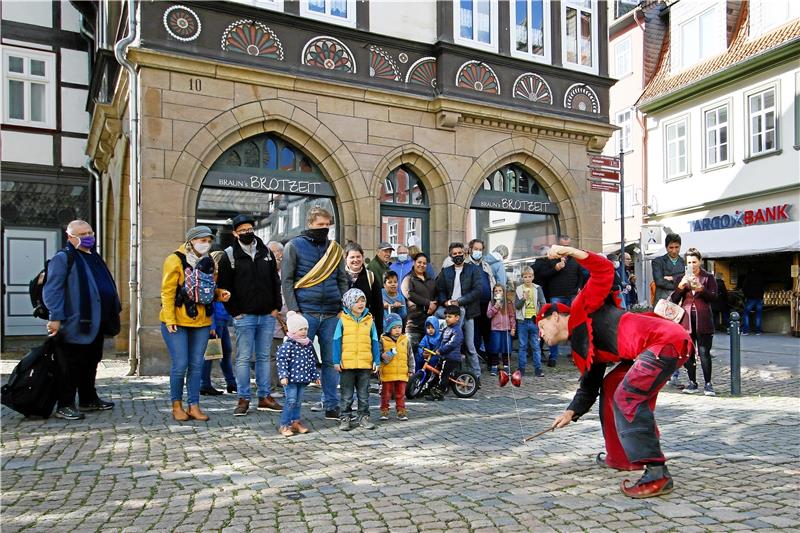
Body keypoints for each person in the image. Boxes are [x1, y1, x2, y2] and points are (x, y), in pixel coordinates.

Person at [538, 244, 693, 499]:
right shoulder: (580, 348)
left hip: (664, 341)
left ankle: (657, 473)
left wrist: (570, 251)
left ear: (555, 316)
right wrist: (570, 412)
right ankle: (621, 458)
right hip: (652, 348)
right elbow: (590, 385)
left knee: (627, 397)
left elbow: (604, 270)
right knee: (612, 387)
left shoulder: (581, 307)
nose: (540, 335)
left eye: (541, 327)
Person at [44, 220, 122, 420]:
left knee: (91, 361)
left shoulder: (93, 256)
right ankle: (65, 404)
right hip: (73, 321)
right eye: (83, 234)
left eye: (90, 232)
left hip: (96, 321)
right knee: (69, 365)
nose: (89, 237)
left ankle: (88, 398)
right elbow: (53, 289)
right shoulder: (64, 258)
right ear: (70, 237)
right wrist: (55, 318)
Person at [282, 206, 349, 421]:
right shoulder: (294, 246)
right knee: (298, 361)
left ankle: (331, 405)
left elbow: (342, 279)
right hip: (306, 312)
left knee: (331, 361)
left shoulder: (335, 249)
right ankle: (293, 410)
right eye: (320, 225)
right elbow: (287, 280)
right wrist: (293, 310)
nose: (324, 229)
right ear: (310, 224)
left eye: (327, 225)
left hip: (332, 313)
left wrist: (343, 307)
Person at [159, 225, 230, 422]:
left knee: (197, 364)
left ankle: (194, 405)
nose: (206, 244)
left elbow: (206, 290)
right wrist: (170, 319)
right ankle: (176, 406)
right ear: (191, 241)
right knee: (180, 364)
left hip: (201, 321)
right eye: (202, 240)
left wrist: (219, 294)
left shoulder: (208, 262)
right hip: (177, 320)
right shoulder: (175, 259)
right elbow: (167, 292)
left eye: (209, 241)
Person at [217, 215, 283, 417]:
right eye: (242, 230)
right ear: (235, 233)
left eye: (249, 229)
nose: (247, 232)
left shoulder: (266, 252)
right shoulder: (229, 256)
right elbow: (224, 287)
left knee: (263, 357)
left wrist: (276, 306)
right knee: (244, 358)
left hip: (266, 314)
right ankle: (243, 398)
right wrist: (234, 312)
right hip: (244, 316)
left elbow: (274, 280)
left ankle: (264, 397)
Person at [671, 248, 718, 396]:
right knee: (688, 353)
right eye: (689, 262)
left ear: (700, 261)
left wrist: (701, 288)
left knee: (704, 352)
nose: (692, 265)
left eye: (694, 262)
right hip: (686, 320)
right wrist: (680, 286)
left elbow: (714, 297)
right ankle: (692, 382)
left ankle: (708, 383)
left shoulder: (708, 277)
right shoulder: (680, 278)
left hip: (703, 318)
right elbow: (674, 300)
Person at [436, 242, 483, 387]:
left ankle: (476, 377)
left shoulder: (473, 269)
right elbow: (440, 290)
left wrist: (460, 301)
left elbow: (477, 290)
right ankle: (452, 374)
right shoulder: (446, 271)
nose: (457, 255)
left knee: (469, 345)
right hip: (450, 311)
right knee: (448, 340)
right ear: (450, 256)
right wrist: (446, 302)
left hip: (467, 311)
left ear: (464, 253)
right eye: (454, 254)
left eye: (459, 253)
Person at [332, 288, 380, 431]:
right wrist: (336, 360)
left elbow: (375, 342)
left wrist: (376, 361)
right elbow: (336, 341)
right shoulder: (342, 321)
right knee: (346, 394)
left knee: (364, 394)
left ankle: (364, 417)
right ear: (348, 303)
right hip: (347, 365)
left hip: (365, 364)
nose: (361, 304)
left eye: (363, 300)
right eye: (357, 301)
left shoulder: (369, 320)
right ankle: (345, 417)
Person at [535, 235, 584, 367]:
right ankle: (553, 357)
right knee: (554, 327)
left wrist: (579, 287)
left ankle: (576, 356)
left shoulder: (575, 259)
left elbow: (581, 275)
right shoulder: (551, 258)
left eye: (568, 246)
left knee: (575, 327)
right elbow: (542, 275)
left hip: (572, 296)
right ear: (558, 245)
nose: (566, 248)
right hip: (556, 295)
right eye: (564, 245)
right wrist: (555, 269)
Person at [275, 313, 319, 437]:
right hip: (290, 380)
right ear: (293, 330)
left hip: (302, 378)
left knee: (298, 402)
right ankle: (284, 424)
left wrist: (315, 376)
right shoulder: (288, 345)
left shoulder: (307, 344)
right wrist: (283, 376)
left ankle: (295, 422)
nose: (304, 332)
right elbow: (281, 361)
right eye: (301, 329)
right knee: (291, 401)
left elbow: (311, 361)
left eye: (305, 329)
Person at [200, 254, 237, 395]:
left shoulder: (222, 278)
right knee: (210, 354)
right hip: (215, 322)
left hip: (223, 321)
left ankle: (231, 383)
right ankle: (205, 384)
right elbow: (209, 305)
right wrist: (212, 326)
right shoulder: (210, 279)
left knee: (226, 351)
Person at [466, 239, 496, 367]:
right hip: (472, 304)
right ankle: (475, 363)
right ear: (471, 249)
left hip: (486, 304)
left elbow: (492, 282)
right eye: (475, 249)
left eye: (480, 249)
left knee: (488, 333)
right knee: (474, 334)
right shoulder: (466, 264)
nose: (478, 252)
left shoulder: (486, 265)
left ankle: (491, 361)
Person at [378, 313, 414, 421]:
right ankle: (384, 410)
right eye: (394, 328)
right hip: (387, 372)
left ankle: (401, 410)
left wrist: (411, 368)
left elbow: (410, 355)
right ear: (389, 328)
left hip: (402, 372)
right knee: (386, 394)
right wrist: (387, 355)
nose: (398, 330)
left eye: (399, 327)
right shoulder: (383, 340)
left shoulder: (405, 340)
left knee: (401, 394)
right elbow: (379, 355)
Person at [344, 242, 384, 336]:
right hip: (345, 326)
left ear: (362, 257)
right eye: (352, 257)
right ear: (346, 259)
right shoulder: (340, 276)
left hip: (366, 325)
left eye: (358, 256)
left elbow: (378, 305)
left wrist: (378, 330)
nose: (356, 260)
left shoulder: (370, 276)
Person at [401, 252, 437, 353]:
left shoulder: (430, 279)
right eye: (419, 262)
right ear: (414, 263)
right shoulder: (408, 279)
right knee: (411, 354)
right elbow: (409, 293)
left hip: (428, 323)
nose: (421, 265)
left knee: (426, 355)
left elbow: (437, 293)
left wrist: (434, 305)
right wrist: (428, 303)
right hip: (414, 324)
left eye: (424, 263)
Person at [515, 266, 546, 377]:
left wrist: (541, 317)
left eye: (529, 276)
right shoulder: (519, 289)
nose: (527, 279)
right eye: (525, 277)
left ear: (533, 277)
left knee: (536, 346)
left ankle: (538, 368)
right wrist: (523, 298)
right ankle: (521, 368)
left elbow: (543, 303)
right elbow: (517, 307)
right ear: (522, 278)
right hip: (522, 321)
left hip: (534, 321)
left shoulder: (537, 288)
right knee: (522, 346)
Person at [428, 305, 464, 401]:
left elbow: (452, 344)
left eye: (450, 317)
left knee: (444, 374)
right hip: (444, 357)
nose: (447, 319)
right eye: (446, 316)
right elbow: (439, 342)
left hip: (452, 358)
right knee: (435, 371)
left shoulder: (457, 331)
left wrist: (441, 350)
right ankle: (430, 388)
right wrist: (433, 350)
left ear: (457, 318)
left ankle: (440, 392)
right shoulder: (446, 329)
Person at [486, 283, 516, 375]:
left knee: (506, 348)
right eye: (496, 291)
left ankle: (506, 366)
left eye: (500, 290)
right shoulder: (491, 302)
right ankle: (494, 366)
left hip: (506, 329)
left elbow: (512, 316)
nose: (498, 292)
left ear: (503, 292)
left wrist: (513, 328)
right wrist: (496, 306)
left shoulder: (508, 302)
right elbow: (489, 315)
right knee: (495, 347)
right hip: (495, 329)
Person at [652, 233, 684, 303]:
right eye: (671, 247)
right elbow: (659, 282)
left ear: (680, 246)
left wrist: (673, 278)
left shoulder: (685, 262)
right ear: (666, 247)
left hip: (680, 301)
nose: (674, 251)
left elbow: (688, 278)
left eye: (677, 247)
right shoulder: (658, 261)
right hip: (662, 301)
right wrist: (680, 286)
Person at [740, 268, 765, 335]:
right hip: (759, 298)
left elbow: (744, 287)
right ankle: (758, 331)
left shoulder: (748, 277)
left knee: (746, 313)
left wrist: (746, 295)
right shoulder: (761, 277)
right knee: (758, 314)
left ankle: (746, 330)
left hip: (751, 298)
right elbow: (763, 288)